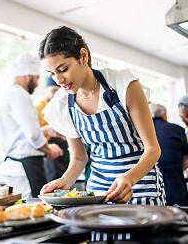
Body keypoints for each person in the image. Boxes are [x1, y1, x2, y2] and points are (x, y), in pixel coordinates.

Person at [39, 26, 165, 206]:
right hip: (98, 192)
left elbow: (153, 148)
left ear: (83, 56)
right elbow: (79, 157)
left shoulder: (123, 84)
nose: (59, 81)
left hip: (140, 185)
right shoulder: (63, 104)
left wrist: (129, 179)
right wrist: (65, 181)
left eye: (63, 69)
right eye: (52, 74)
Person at [0, 53, 63, 199]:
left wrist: (46, 130)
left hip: (18, 165)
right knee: (33, 212)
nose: (37, 83)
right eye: (37, 78)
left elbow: (22, 134)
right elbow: (33, 135)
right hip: (25, 167)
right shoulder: (20, 95)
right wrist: (49, 149)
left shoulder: (10, 94)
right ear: (28, 77)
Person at [149, 103, 188, 206]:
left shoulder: (141, 131)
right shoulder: (178, 129)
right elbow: (187, 161)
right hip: (175, 184)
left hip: (150, 187)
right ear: (165, 116)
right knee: (180, 216)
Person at [35, 76, 70, 182]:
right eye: (53, 90)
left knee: (66, 177)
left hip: (64, 146)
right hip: (49, 147)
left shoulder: (62, 105)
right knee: (54, 178)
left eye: (59, 90)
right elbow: (34, 132)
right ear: (46, 90)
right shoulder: (38, 107)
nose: (56, 94)